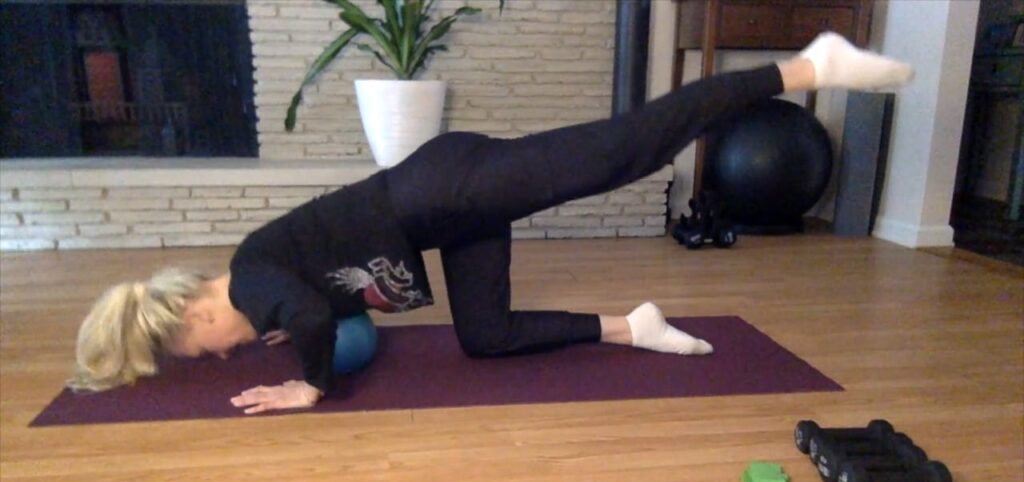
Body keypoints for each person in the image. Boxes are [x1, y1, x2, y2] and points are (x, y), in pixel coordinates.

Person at [70, 33, 913, 414]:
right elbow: (322, 300)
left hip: (455, 183)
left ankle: (807, 64)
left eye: (196, 349)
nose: (214, 355)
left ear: (190, 313)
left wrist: (310, 384)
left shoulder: (255, 276)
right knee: (486, 336)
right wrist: (290, 338)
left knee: (626, 149)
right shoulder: (262, 283)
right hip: (451, 214)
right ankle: (634, 327)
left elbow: (322, 315)